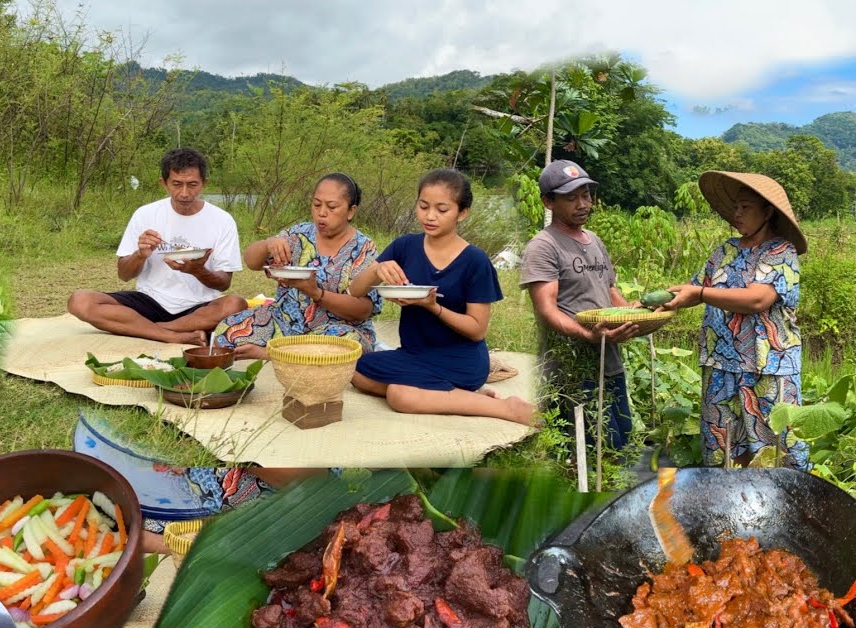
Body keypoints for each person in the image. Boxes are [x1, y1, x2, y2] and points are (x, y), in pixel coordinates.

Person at [348, 168, 534, 425]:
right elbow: (356, 290)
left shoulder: (475, 260)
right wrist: (377, 270)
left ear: (462, 213)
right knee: (357, 371)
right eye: (423, 206)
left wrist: (432, 306)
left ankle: (506, 408)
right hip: (414, 354)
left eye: (442, 209)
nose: (430, 216)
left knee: (400, 396)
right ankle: (460, 396)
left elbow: (477, 330)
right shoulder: (404, 247)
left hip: (460, 359)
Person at [658, 171, 809, 469]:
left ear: (767, 212)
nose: (737, 214)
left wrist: (700, 293)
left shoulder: (781, 252)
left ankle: (784, 506)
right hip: (721, 366)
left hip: (769, 366)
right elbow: (691, 288)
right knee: (724, 444)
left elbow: (757, 299)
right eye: (736, 207)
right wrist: (646, 306)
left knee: (775, 445)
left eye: (746, 207)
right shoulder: (725, 250)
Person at [67, 148, 247, 344]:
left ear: (204, 183)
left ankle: (147, 329)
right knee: (80, 301)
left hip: (199, 307)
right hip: (150, 300)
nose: (185, 193)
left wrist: (198, 270)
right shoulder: (145, 214)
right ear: (164, 183)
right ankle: (172, 336)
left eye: (192, 185)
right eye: (177, 184)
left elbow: (224, 282)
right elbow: (124, 275)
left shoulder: (222, 220)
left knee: (236, 304)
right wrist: (140, 254)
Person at [519, 160, 638, 450]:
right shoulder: (543, 246)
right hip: (571, 368)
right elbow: (547, 310)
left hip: (608, 360)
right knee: (586, 447)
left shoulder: (594, 239)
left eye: (585, 195)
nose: (582, 204)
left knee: (620, 437)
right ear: (549, 201)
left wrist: (635, 314)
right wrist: (587, 335)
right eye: (571, 198)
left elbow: (608, 289)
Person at [212, 173, 382, 359]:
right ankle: (286, 351)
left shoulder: (363, 248)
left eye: (331, 207)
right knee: (227, 330)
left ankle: (273, 354)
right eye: (317, 204)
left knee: (343, 345)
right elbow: (251, 261)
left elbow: (363, 310)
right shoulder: (298, 235)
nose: (322, 213)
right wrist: (269, 243)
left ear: (351, 211)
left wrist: (316, 293)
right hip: (284, 322)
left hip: (337, 330)